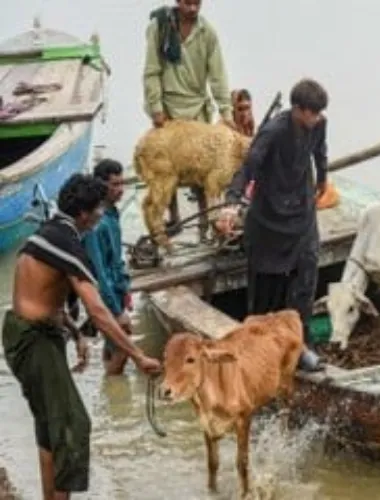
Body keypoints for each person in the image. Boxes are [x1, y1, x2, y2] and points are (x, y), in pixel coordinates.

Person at [2, 173, 161, 499]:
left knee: (49, 427)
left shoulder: (48, 232)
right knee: (73, 425)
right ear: (84, 214)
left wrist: (74, 333)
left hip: (24, 333)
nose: (102, 215)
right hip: (34, 340)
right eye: (99, 209)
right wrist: (138, 355)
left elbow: (42, 294)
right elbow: (98, 311)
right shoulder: (69, 243)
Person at [216, 79, 329, 372]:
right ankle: (258, 348)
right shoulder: (273, 131)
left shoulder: (318, 125)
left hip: (302, 213)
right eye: (311, 113)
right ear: (297, 110)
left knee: (306, 277)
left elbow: (320, 152)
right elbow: (249, 167)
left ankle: (300, 344)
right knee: (267, 288)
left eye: (319, 114)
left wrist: (323, 178)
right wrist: (232, 202)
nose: (315, 119)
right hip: (270, 217)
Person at [143, 0, 233, 228]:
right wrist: (156, 108)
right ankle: (173, 218)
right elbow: (151, 71)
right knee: (167, 167)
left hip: (197, 108)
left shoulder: (207, 32)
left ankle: (207, 220)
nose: (192, 8)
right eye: (187, 3)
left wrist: (226, 112)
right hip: (168, 108)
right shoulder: (160, 28)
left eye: (196, 3)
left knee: (202, 168)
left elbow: (218, 76)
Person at [82, 159, 133, 376]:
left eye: (122, 184)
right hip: (106, 295)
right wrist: (115, 310)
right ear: (101, 185)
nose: (120, 190)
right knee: (123, 347)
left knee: (114, 344)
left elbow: (116, 261)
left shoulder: (111, 214)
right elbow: (99, 272)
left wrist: (126, 290)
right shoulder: (97, 223)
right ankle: (113, 390)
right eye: (114, 185)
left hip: (116, 290)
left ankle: (110, 384)